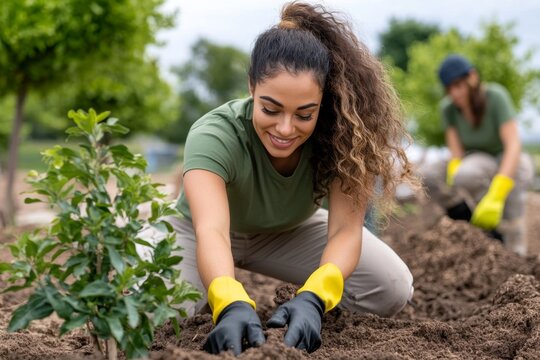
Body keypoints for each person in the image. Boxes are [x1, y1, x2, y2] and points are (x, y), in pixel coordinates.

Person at [163, 2, 417, 355]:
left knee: (391, 287)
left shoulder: (346, 138)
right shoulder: (214, 135)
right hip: (199, 232)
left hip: (289, 230)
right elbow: (212, 231)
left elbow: (345, 231)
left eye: (304, 114)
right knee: (155, 314)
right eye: (270, 109)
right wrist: (229, 301)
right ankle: (201, 290)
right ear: (251, 86)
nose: (285, 128)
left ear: (323, 102)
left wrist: (315, 297)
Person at [420, 54, 534, 255]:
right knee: (443, 174)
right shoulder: (448, 109)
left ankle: (516, 254)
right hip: (477, 158)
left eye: (458, 86)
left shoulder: (496, 96)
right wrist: (454, 181)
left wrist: (497, 194)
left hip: (505, 157)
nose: (454, 94)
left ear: (472, 77)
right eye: (449, 89)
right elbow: (456, 152)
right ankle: (468, 217)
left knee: (512, 213)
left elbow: (513, 146)